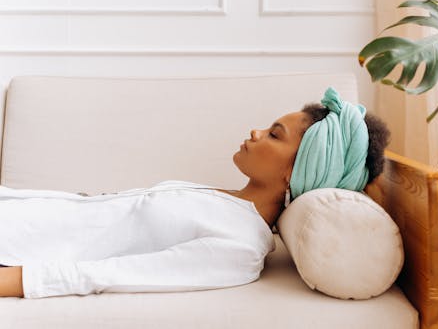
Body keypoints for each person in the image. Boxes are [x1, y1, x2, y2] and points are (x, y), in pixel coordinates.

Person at [0, 87, 390, 299]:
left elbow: (114, 273)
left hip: (15, 248)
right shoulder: (225, 200)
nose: (255, 133)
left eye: (274, 134)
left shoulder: (240, 247)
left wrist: (17, 282)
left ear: (297, 170)